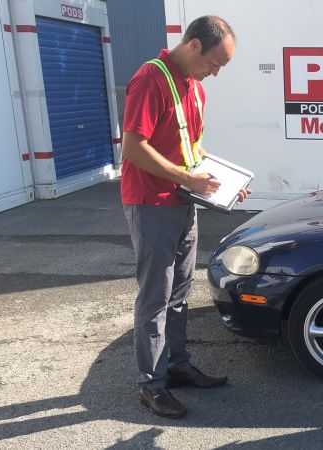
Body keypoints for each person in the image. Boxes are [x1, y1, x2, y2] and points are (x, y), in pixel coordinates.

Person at [120, 15, 248, 418]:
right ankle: (151, 385)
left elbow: (191, 151)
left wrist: (221, 185)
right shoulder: (150, 79)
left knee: (178, 294)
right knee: (155, 298)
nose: (215, 73)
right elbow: (133, 147)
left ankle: (176, 367)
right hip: (151, 203)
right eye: (214, 63)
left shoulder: (192, 87)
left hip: (180, 200)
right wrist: (185, 178)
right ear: (193, 45)